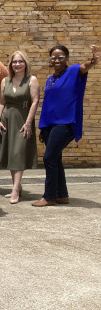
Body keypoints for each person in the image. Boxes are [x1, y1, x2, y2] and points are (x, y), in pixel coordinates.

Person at [33, 44, 99, 207]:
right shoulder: (50, 79)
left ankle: (49, 196)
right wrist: (42, 127)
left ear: (66, 58)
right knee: (56, 159)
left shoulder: (73, 71)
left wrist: (94, 60)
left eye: (61, 57)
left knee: (48, 157)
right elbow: (48, 104)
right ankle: (62, 195)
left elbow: (85, 66)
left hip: (66, 122)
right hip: (49, 124)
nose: (57, 60)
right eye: (54, 57)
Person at [0, 51, 39, 204]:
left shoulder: (32, 80)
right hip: (6, 119)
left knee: (18, 153)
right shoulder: (5, 81)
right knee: (10, 153)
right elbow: (1, 102)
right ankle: (17, 186)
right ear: (11, 64)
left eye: (20, 61)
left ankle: (14, 190)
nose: (18, 64)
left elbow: (35, 102)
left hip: (23, 119)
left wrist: (28, 123)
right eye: (15, 62)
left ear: (25, 63)